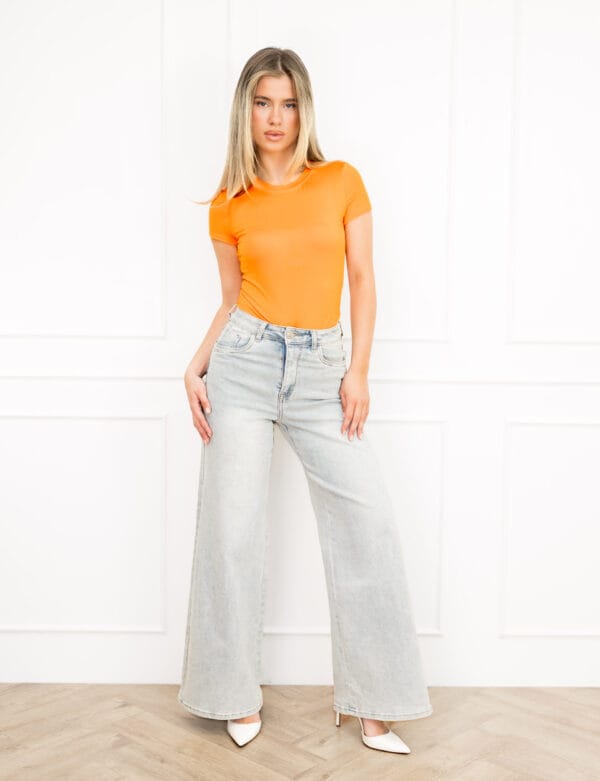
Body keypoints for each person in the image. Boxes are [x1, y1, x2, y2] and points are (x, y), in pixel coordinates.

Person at [177, 46, 433, 753]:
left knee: (367, 523)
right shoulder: (229, 205)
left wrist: (359, 371)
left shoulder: (341, 181)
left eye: (288, 103)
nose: (276, 117)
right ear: (246, 110)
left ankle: (375, 702)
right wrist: (196, 366)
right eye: (263, 102)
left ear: (304, 110)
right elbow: (232, 299)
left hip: (324, 370)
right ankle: (231, 691)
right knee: (232, 531)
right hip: (244, 365)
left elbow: (363, 278)